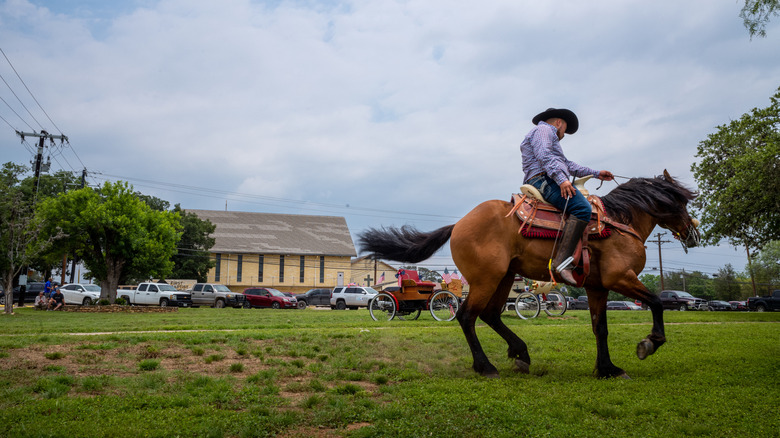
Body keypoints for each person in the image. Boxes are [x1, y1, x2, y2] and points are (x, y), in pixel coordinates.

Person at [520, 108, 614, 285]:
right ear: (559, 123)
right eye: (565, 130)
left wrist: (596, 173)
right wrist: (562, 180)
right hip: (545, 179)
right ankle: (563, 263)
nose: (563, 135)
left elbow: (567, 164)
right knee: (582, 208)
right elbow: (544, 156)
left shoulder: (545, 134)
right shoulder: (544, 130)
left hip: (545, 177)